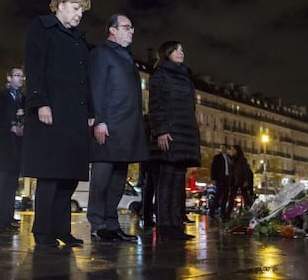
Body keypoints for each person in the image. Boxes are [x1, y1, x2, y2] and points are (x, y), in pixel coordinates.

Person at [21, 0, 93, 248]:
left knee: (69, 175)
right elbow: (35, 66)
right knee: (50, 175)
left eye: (82, 11)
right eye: (76, 8)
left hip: (75, 116)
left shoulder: (79, 38)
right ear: (61, 4)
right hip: (51, 112)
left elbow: (86, 80)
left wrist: (91, 113)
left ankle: (62, 229)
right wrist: (40, 103)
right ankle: (43, 232)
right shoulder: (42, 27)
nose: (79, 15)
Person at [87, 14, 149, 242]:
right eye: (127, 27)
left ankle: (112, 225)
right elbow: (97, 87)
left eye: (132, 27)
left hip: (127, 126)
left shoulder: (127, 57)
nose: (131, 31)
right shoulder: (101, 53)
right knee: (102, 177)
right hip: (109, 125)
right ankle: (97, 223)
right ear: (112, 30)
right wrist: (99, 119)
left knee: (118, 181)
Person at [148, 41, 201, 240]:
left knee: (178, 181)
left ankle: (176, 225)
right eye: (177, 49)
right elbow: (156, 104)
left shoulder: (185, 76)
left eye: (182, 49)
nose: (181, 52)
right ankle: (164, 225)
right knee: (166, 180)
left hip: (184, 134)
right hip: (169, 133)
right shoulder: (160, 75)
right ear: (167, 53)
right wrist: (160, 130)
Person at [0, 68, 25, 231]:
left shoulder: (24, 98)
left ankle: (8, 216)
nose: (20, 79)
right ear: (9, 77)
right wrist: (10, 127)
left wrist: (23, 126)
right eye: (17, 75)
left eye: (22, 76)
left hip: (17, 148)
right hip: (3, 146)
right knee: (0, 183)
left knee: (12, 183)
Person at [225, 145, 253, 220]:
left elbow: (246, 170)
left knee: (245, 197)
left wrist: (246, 180)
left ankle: (249, 212)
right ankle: (227, 214)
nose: (232, 151)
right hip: (234, 180)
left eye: (233, 150)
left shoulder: (242, 160)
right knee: (231, 198)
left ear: (237, 151)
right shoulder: (232, 159)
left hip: (241, 179)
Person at [209, 144, 231, 219]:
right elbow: (213, 168)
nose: (223, 149)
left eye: (224, 148)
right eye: (221, 148)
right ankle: (212, 211)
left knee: (225, 196)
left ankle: (223, 213)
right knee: (218, 195)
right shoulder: (217, 157)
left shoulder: (229, 157)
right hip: (220, 178)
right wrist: (213, 178)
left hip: (227, 178)